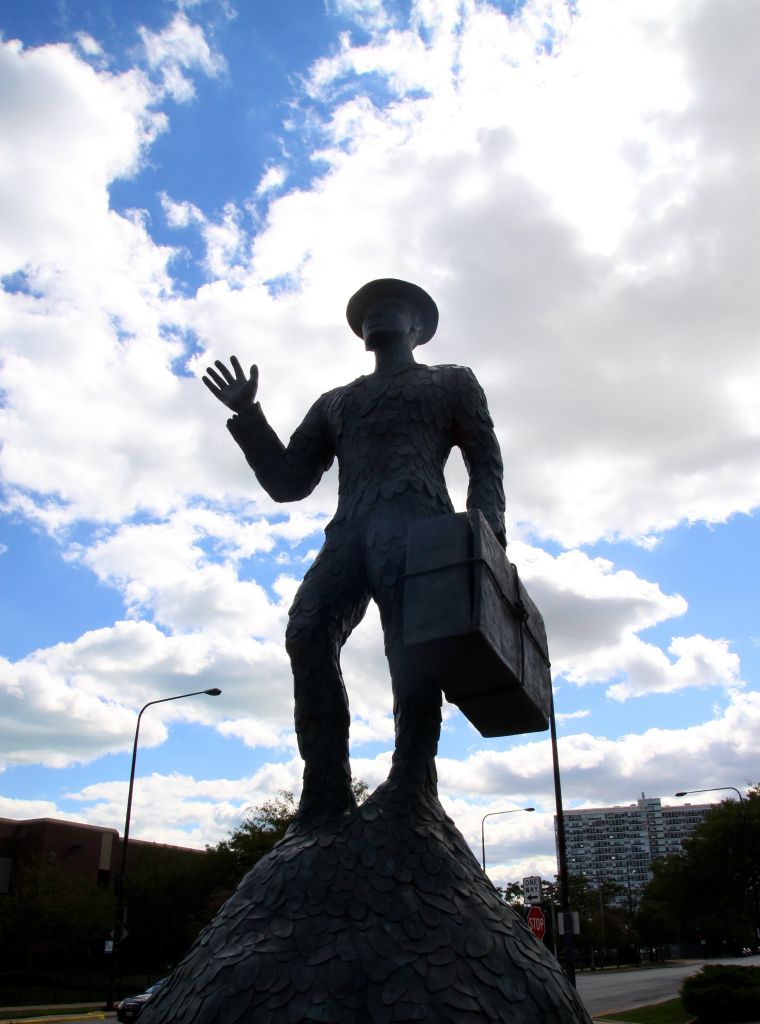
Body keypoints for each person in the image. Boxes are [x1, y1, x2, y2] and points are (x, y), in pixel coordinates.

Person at [203, 279, 505, 827]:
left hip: (420, 529)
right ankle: (325, 789)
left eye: (392, 306)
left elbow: (485, 462)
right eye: (366, 310)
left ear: (418, 326)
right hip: (350, 532)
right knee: (307, 631)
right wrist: (249, 415)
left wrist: (486, 538)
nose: (376, 314)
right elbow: (288, 482)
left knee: (410, 650)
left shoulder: (451, 382)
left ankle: (413, 779)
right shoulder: (336, 402)